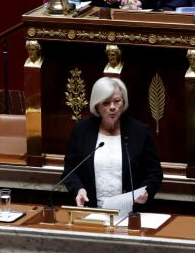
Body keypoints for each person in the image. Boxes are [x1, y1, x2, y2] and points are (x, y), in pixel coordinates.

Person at [62, 77, 163, 208]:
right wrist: (78, 190)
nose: (112, 107)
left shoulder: (140, 131)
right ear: (97, 105)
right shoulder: (81, 130)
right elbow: (70, 170)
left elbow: (155, 172)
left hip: (131, 212)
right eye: (106, 103)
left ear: (123, 102)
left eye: (117, 101)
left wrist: (146, 190)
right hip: (91, 210)